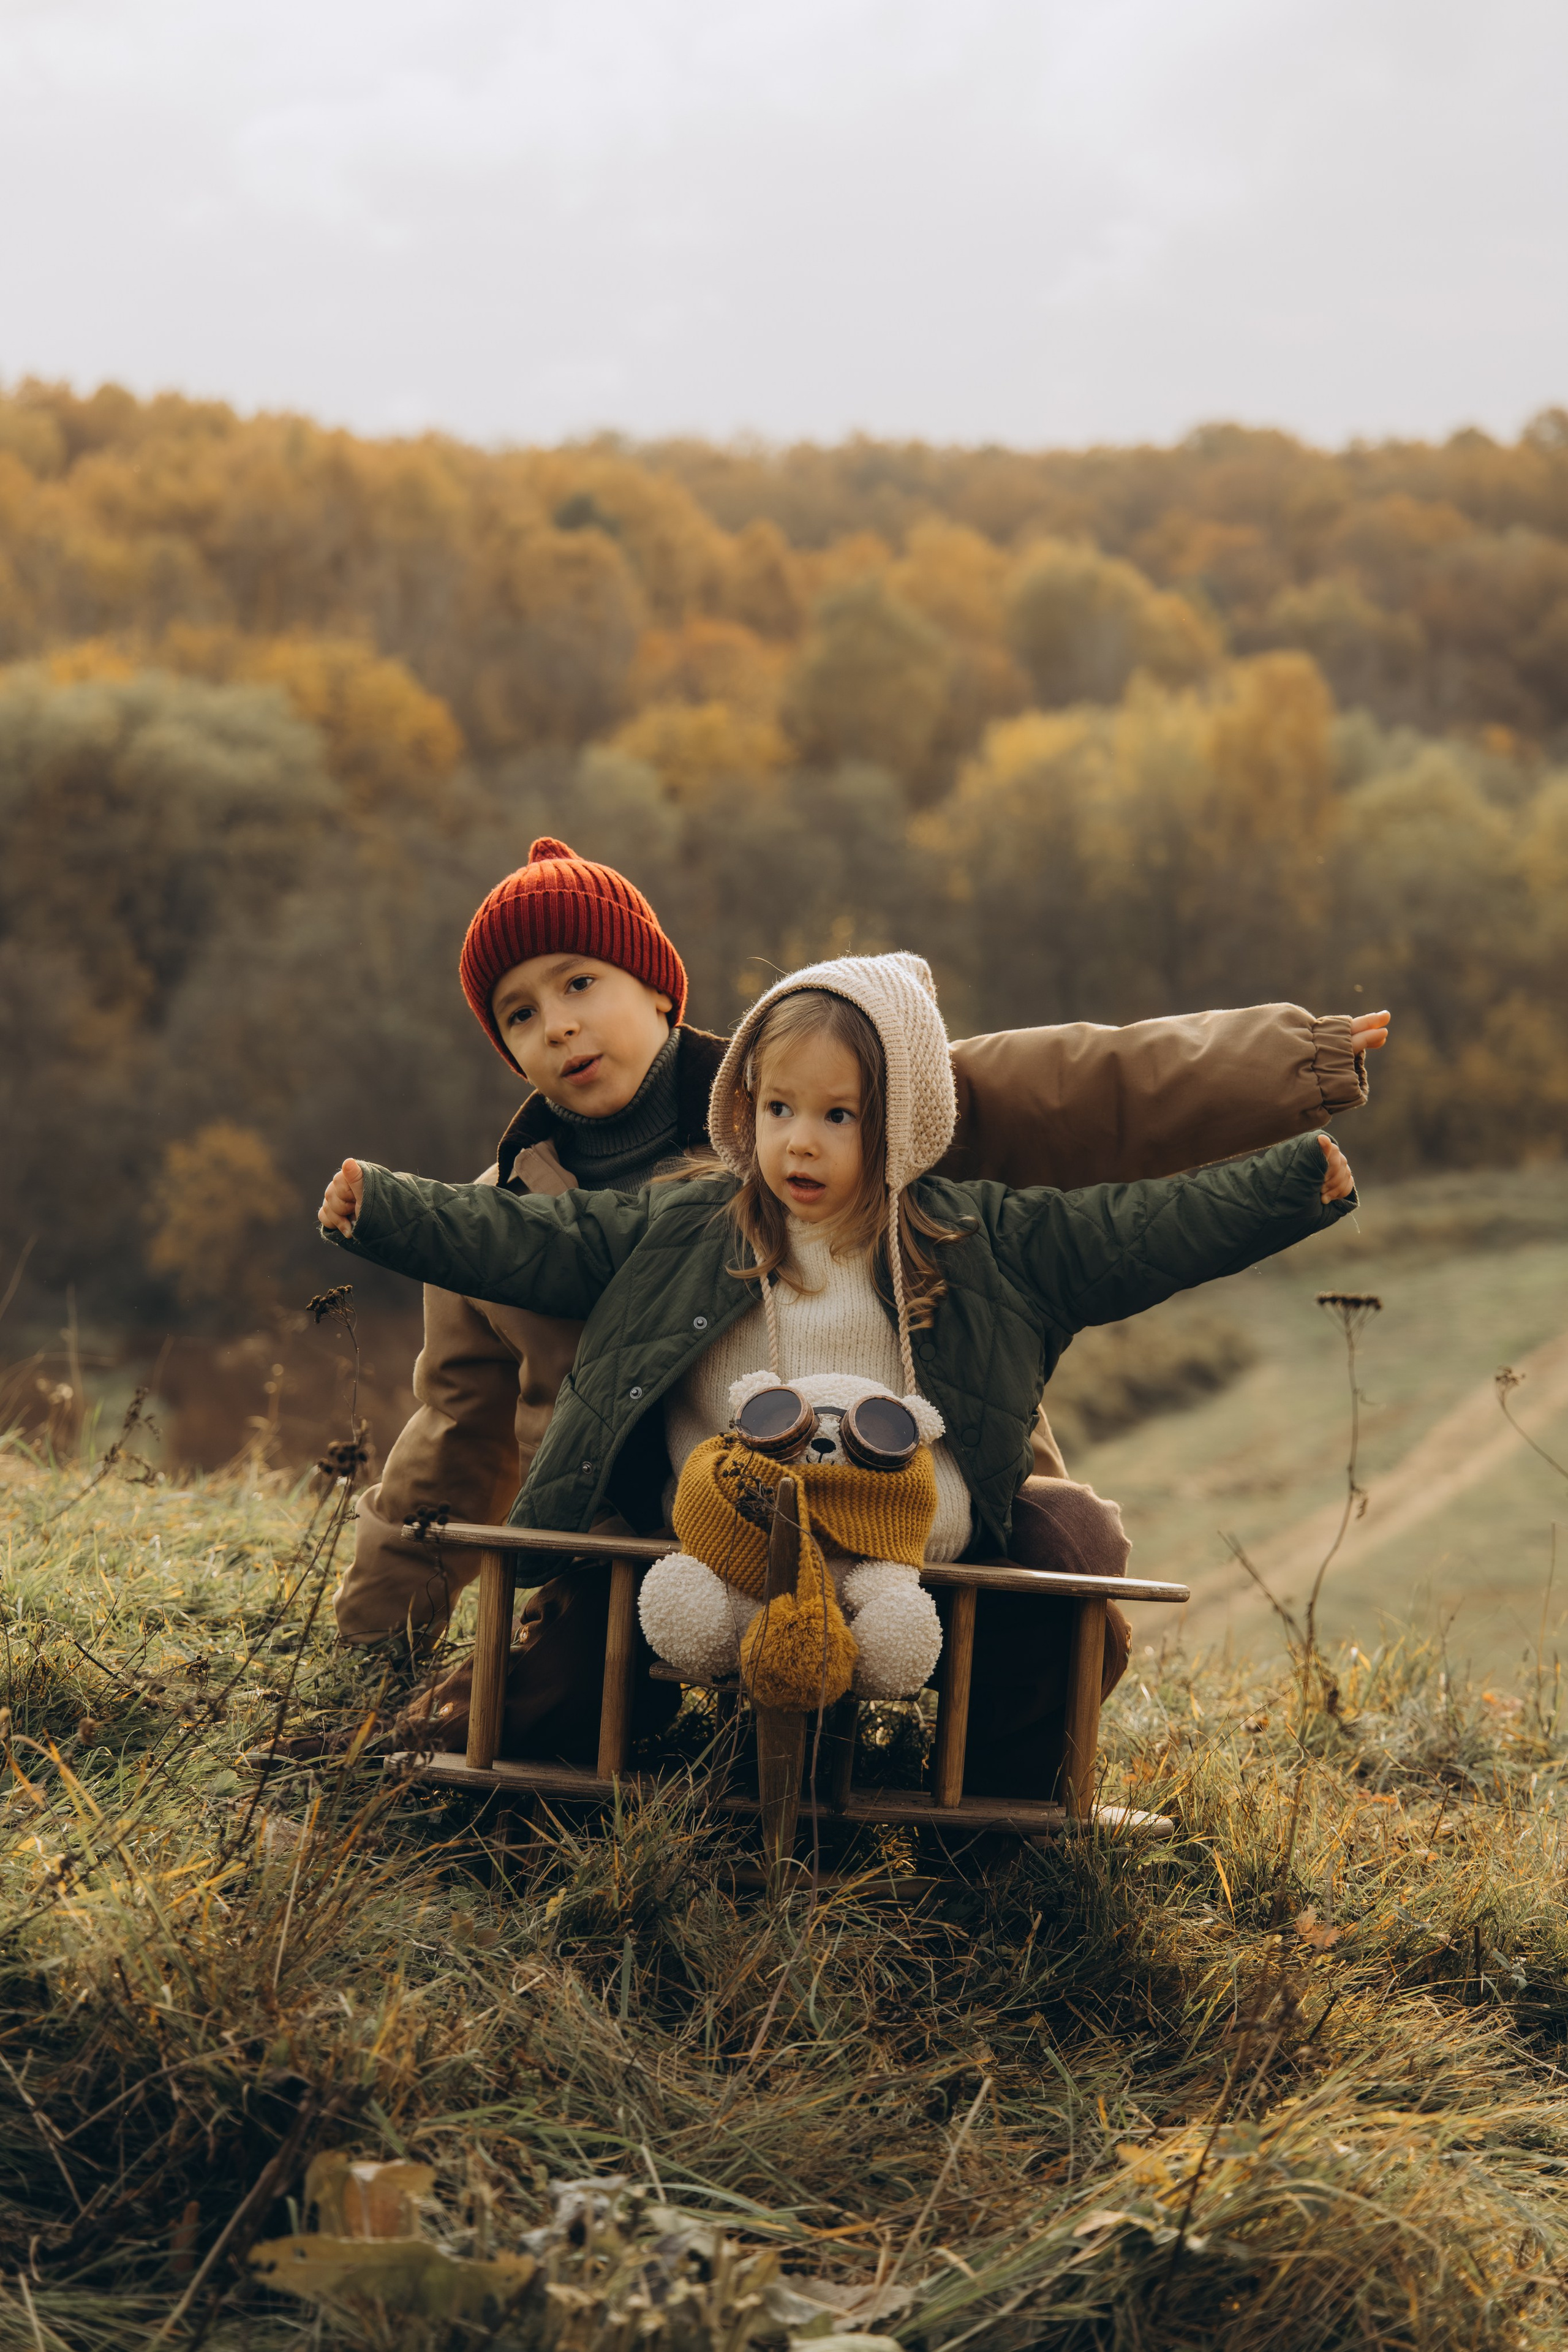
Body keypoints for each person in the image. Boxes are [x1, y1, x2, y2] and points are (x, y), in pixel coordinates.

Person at [337, 835, 1390, 1690]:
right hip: (664, 1539)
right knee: (540, 1698)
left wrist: (1303, 1062)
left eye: (580, 982)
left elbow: (1097, 1089)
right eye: (520, 1014)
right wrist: (373, 1639)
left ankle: (995, 1853)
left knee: (1060, 1575)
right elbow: (455, 1433)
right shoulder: (494, 1220)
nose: (558, 1023)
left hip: (915, 1483)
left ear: (659, 989)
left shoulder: (845, 1073)